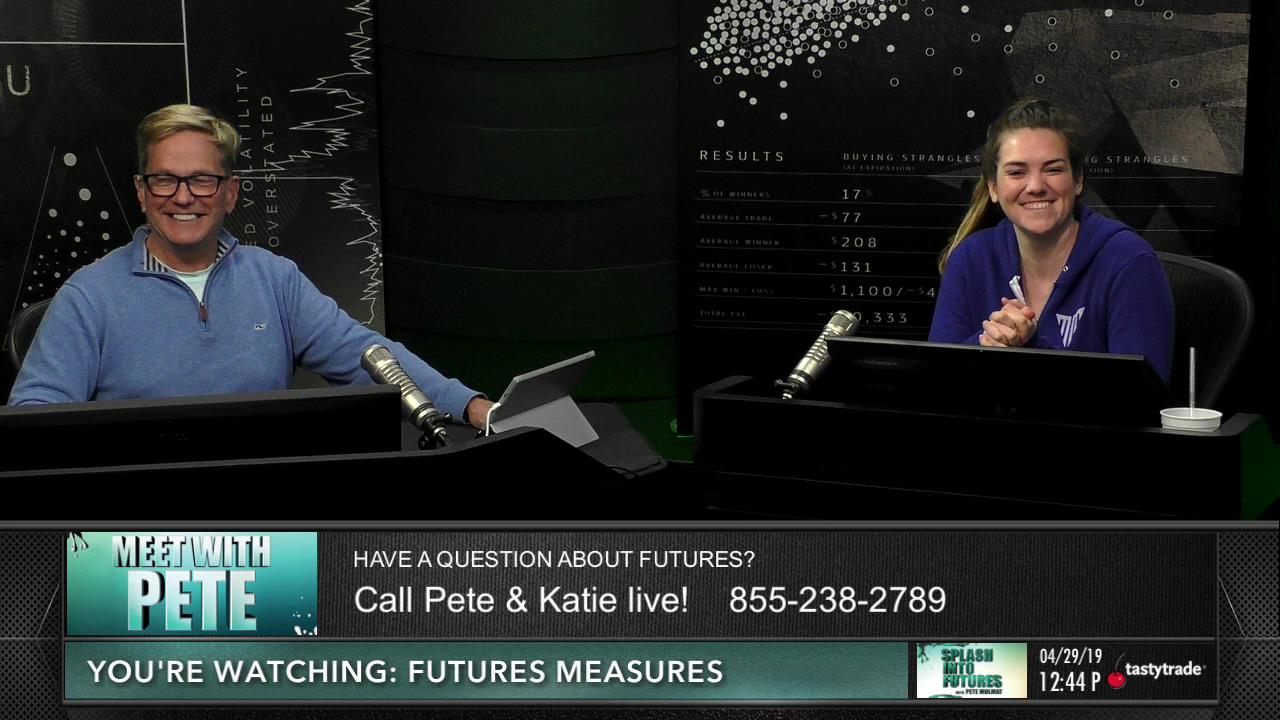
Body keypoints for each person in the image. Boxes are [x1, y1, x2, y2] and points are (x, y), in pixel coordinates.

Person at [8, 103, 493, 427]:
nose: (183, 198)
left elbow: (366, 357)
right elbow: (34, 417)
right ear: (141, 192)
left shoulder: (274, 279)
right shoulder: (89, 295)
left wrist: (472, 407)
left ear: (231, 193)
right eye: (165, 180)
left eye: (202, 180)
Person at [927, 98, 1174, 383]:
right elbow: (937, 383)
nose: (1035, 186)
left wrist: (1031, 350)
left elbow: (1139, 399)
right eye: (1016, 172)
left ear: (1078, 180)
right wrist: (986, 345)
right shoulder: (970, 257)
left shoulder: (1129, 261)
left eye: (1053, 169)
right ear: (993, 187)